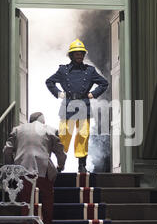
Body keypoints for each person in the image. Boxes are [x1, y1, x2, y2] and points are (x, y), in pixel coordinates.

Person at [3, 112, 66, 224]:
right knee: (47, 202)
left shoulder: (17, 130)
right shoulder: (50, 129)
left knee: (26, 203)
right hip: (43, 170)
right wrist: (61, 166)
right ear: (42, 121)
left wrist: (11, 169)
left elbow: (7, 151)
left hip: (23, 170)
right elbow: (60, 152)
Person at [46, 39, 109, 173]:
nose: (79, 56)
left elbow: (104, 83)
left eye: (81, 53)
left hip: (83, 105)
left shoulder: (90, 71)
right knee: (64, 136)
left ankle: (82, 166)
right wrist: (58, 93)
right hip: (68, 104)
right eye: (76, 53)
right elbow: (49, 82)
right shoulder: (63, 70)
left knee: (82, 135)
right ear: (71, 55)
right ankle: (60, 164)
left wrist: (93, 93)